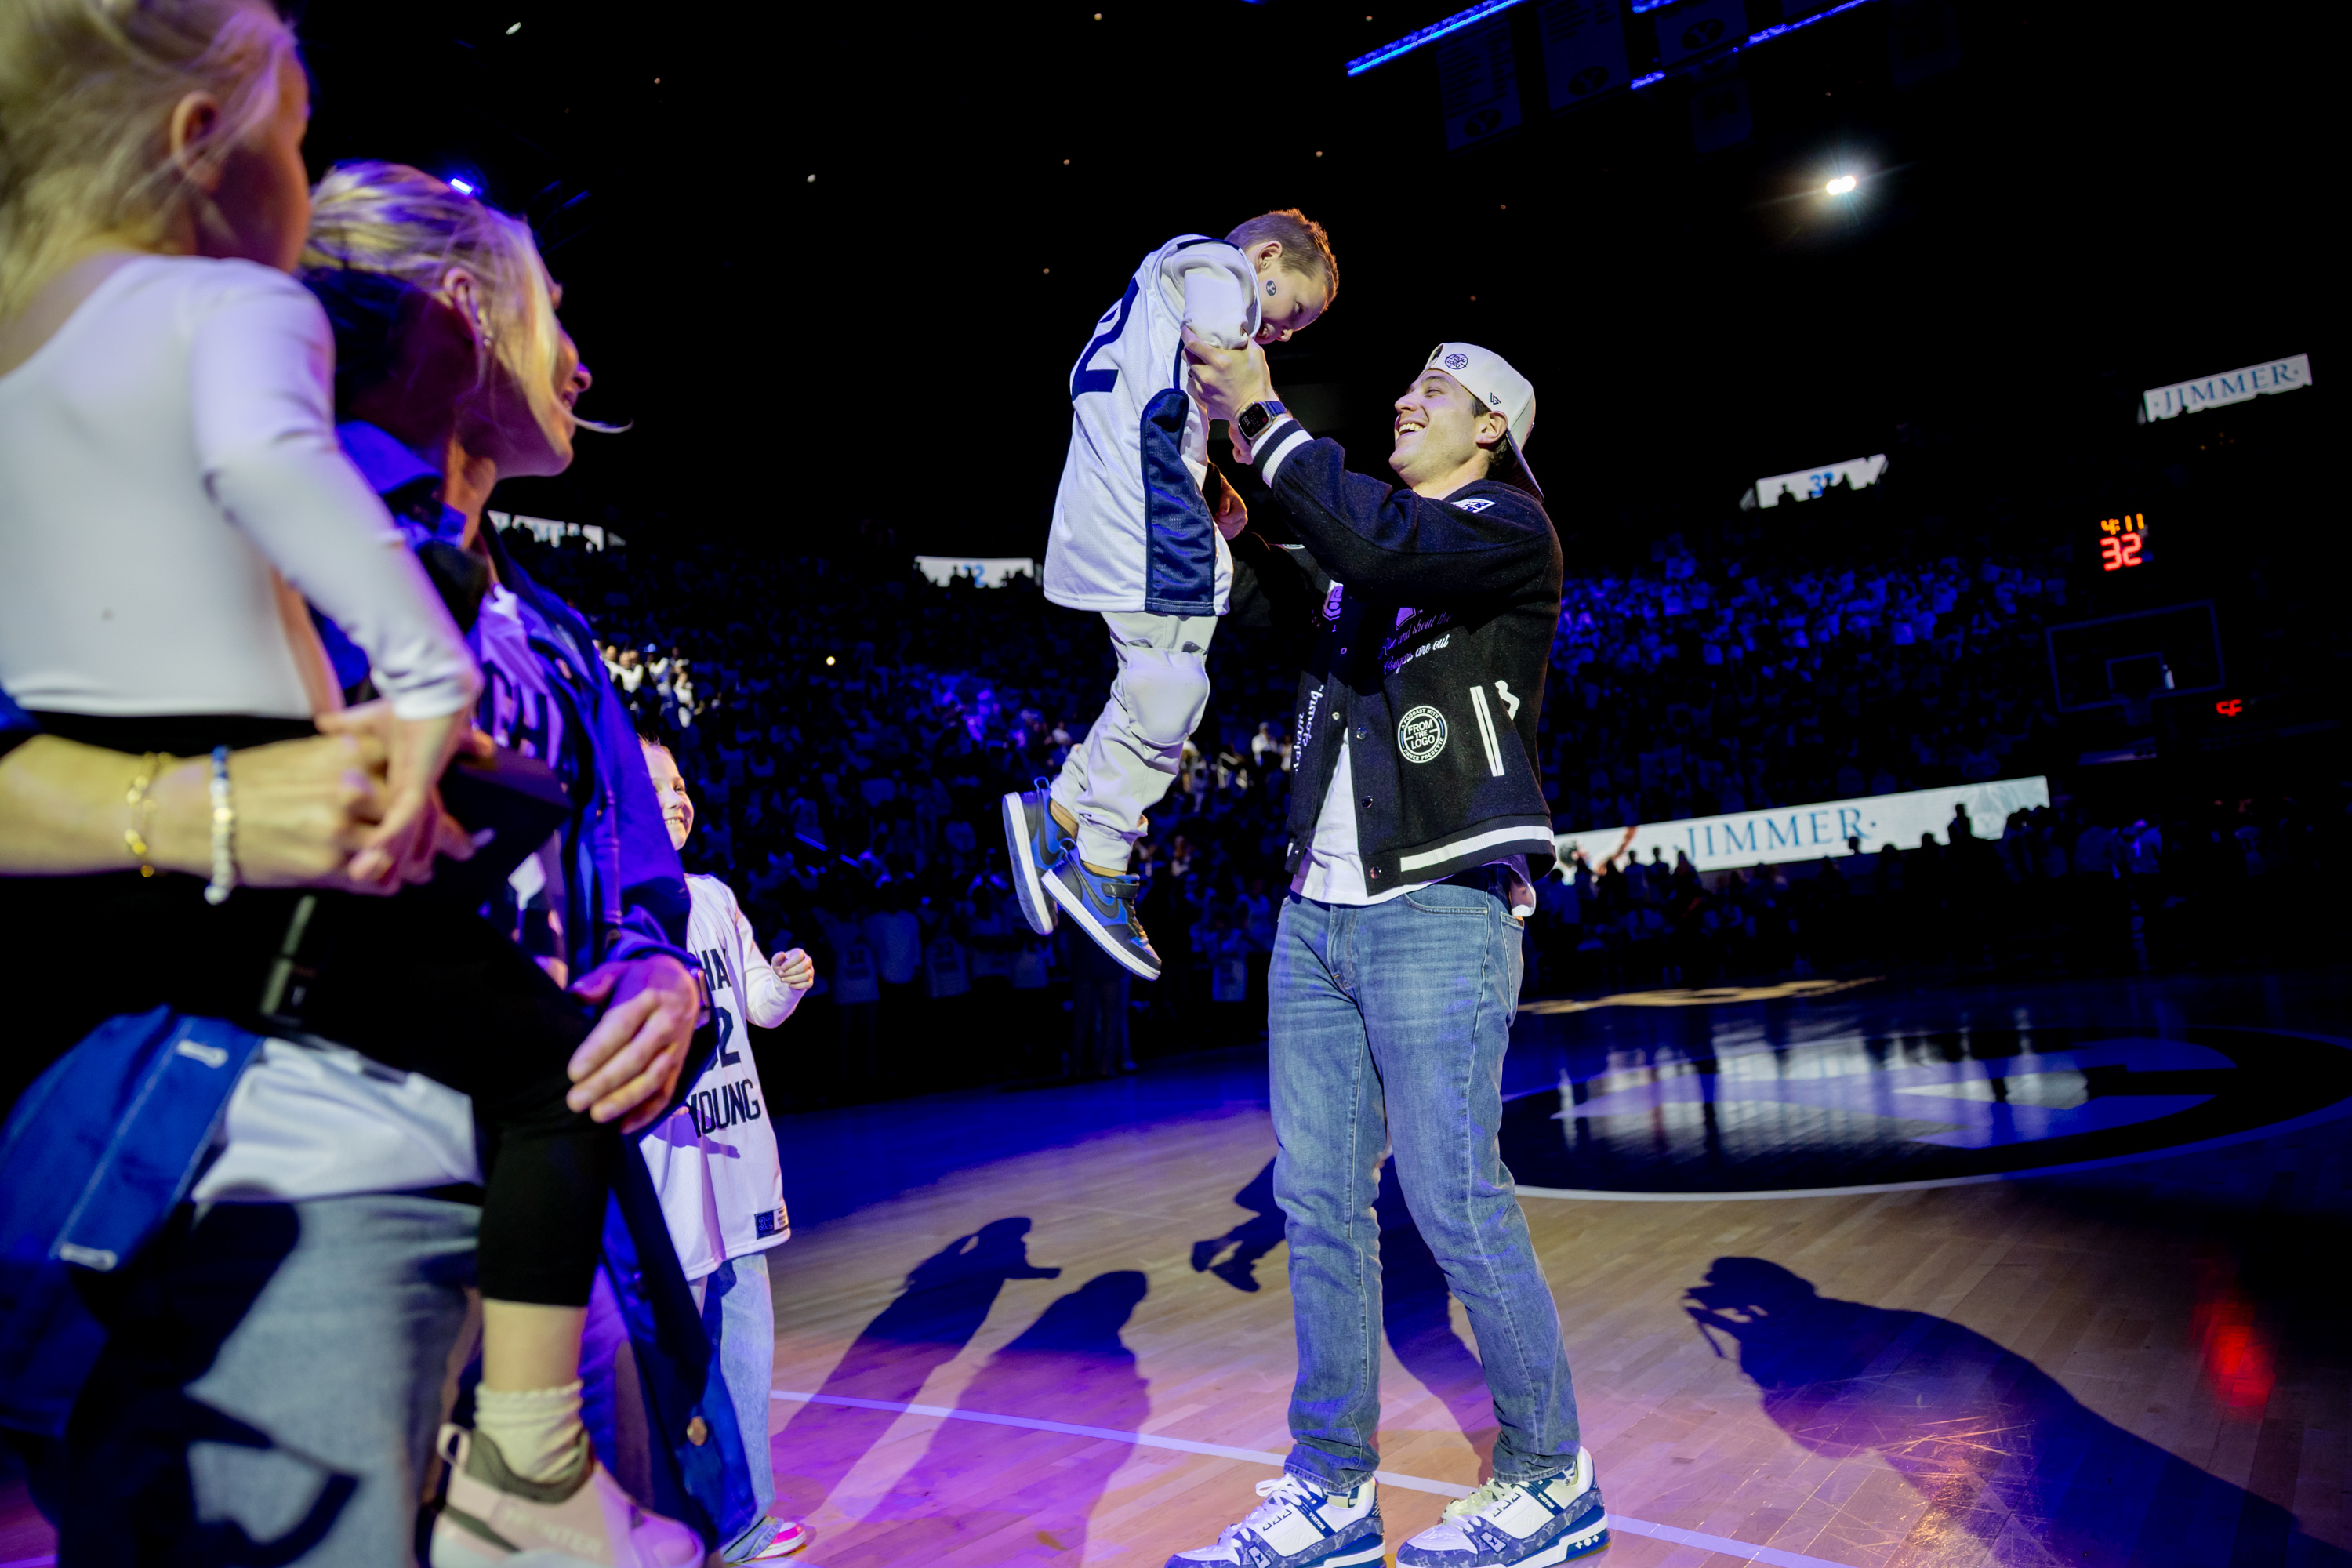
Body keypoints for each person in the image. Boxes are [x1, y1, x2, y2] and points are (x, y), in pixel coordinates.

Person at [0, 8, 705, 1562]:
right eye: (552, 308)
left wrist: (660, 972)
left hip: (548, 1227)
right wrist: (189, 813)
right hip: (276, 1189)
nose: (580, 357)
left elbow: (640, 884)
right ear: (457, 309)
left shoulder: (564, 632)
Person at [1172, 338, 1608, 1568]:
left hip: (1434, 905)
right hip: (1315, 911)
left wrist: (1264, 414)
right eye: (1408, 386)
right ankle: (1331, 1489)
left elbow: (1373, 545)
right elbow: (1289, 608)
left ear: (1491, 435)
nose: (1405, 401)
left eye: (1438, 395)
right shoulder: (1375, 558)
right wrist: (1225, 515)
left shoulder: (1503, 530)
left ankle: (1550, 1472)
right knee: (1318, 1205)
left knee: (1453, 1199)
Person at [1000, 210, 1338, 981]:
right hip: (1146, 495)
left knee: (1153, 675)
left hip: (1116, 485)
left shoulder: (1153, 285)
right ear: (1265, 257)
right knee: (1174, 681)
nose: (1283, 333)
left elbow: (1162, 379)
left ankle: (1055, 813)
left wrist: (1212, 467)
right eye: (1291, 311)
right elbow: (1218, 347)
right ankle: (1102, 858)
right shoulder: (1216, 268)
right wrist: (1256, 416)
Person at [626, 739, 815, 1561]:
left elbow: (760, 1007)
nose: (677, 795)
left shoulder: (714, 895)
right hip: (673, 1160)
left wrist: (788, 979)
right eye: (656, 783)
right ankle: (679, 1514)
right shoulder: (615, 906)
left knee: (747, 1339)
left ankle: (749, 1514)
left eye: (681, 782)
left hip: (738, 1149)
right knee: (675, 1353)